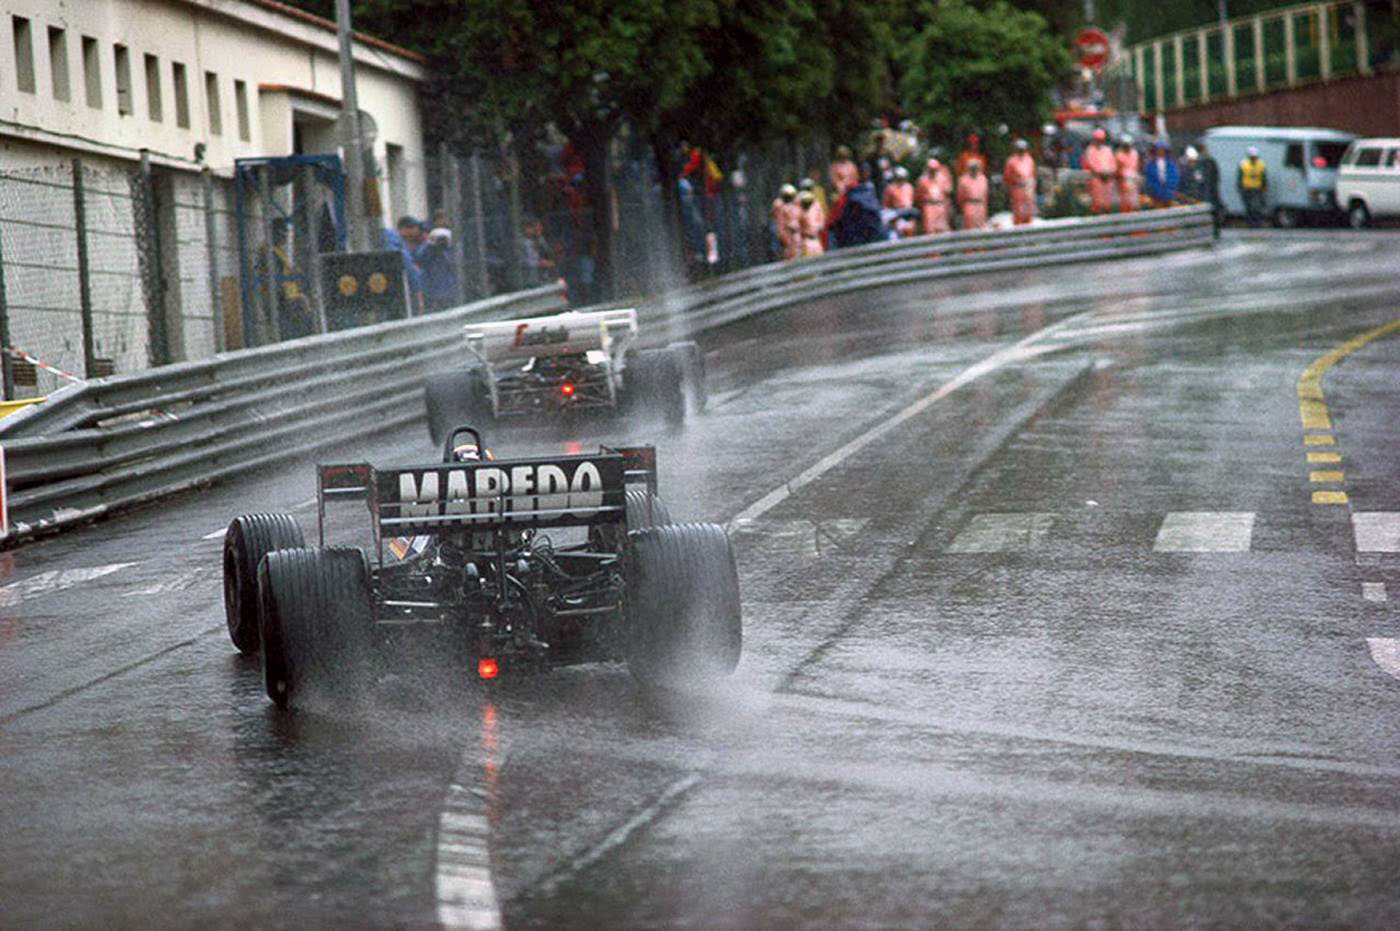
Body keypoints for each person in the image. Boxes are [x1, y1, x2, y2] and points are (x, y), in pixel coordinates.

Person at [828, 163, 884, 248]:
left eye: (867, 172)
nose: (865, 174)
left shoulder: (869, 189)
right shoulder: (849, 196)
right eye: (863, 172)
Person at [415, 215, 458, 311]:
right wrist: (430, 244)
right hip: (431, 290)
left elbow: (457, 261)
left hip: (450, 290)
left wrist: (449, 245)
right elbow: (420, 258)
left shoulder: (453, 245)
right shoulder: (426, 247)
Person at [383, 216, 425, 314]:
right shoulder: (397, 247)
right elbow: (412, 273)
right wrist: (419, 295)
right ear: (405, 229)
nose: (418, 232)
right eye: (415, 228)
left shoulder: (395, 242)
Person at [1003, 139, 1037, 226]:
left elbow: (1033, 174)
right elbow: (1007, 177)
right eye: (1019, 149)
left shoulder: (1029, 159)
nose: (1021, 150)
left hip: (1028, 188)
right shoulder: (1011, 161)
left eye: (1023, 149)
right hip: (1017, 188)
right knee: (1018, 211)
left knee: (1029, 210)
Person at [1082, 128, 1117, 214]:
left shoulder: (1107, 150)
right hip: (1097, 179)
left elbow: (1113, 163)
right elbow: (1090, 163)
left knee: (1108, 203)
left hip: (1108, 179)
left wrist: (1110, 172)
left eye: (1101, 140)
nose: (1099, 142)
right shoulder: (1090, 150)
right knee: (1098, 203)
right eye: (1097, 140)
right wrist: (1100, 173)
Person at [916, 158, 952, 234]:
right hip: (929, 205)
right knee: (930, 229)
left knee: (942, 228)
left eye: (934, 169)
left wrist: (947, 208)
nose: (933, 171)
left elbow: (947, 195)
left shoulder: (943, 179)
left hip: (940, 205)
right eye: (931, 169)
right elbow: (918, 197)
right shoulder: (922, 180)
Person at [519, 216, 556, 287]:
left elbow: (550, 254)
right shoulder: (524, 242)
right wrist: (542, 263)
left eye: (540, 227)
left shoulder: (539, 240)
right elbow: (529, 262)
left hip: (542, 278)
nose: (538, 229)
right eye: (535, 227)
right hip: (529, 279)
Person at [1238, 145, 1268, 228]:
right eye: (1252, 156)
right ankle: (1250, 223)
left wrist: (1265, 187)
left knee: (1257, 207)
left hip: (1257, 188)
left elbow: (1264, 177)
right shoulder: (1243, 164)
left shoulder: (1261, 164)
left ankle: (1258, 223)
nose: (1253, 158)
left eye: (1254, 156)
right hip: (1246, 188)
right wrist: (1240, 188)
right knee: (1248, 207)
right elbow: (1239, 177)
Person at [882, 165, 916, 237]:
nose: (901, 179)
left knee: (910, 233)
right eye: (899, 177)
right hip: (897, 214)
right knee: (900, 233)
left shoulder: (909, 187)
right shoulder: (890, 188)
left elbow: (912, 201)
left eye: (903, 177)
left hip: (909, 213)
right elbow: (886, 206)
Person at [1143, 142, 1179, 207]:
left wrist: (1169, 187)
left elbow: (1174, 177)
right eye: (1158, 150)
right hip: (1156, 195)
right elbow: (1149, 179)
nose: (1160, 152)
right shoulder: (1150, 164)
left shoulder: (1171, 164)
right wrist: (1155, 189)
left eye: (1162, 150)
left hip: (1169, 194)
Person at [772, 183, 802, 260]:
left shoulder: (796, 205)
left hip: (797, 236)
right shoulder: (780, 206)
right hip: (787, 236)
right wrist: (787, 242)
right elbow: (780, 227)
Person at [957, 159, 988, 230]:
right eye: (972, 167)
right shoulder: (963, 180)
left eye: (975, 167)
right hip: (969, 204)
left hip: (981, 205)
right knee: (970, 226)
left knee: (982, 226)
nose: (974, 169)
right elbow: (960, 197)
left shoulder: (983, 179)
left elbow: (985, 195)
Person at [1115, 135, 1141, 213]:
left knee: (1134, 203)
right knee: (1125, 203)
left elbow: (1137, 166)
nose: (1127, 147)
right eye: (1125, 145)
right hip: (1123, 182)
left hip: (1133, 181)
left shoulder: (1135, 153)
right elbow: (1117, 169)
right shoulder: (1118, 154)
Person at [798, 189, 825, 257]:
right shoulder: (800, 213)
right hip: (806, 240)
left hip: (816, 239)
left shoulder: (815, 209)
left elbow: (821, 223)